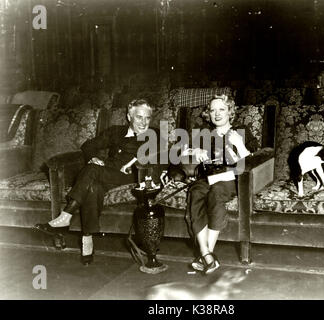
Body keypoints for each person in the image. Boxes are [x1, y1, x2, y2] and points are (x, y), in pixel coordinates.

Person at [35, 99, 165, 265]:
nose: (144, 122)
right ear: (129, 117)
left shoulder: (154, 135)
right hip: (106, 173)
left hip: (131, 175)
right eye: (139, 117)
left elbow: (160, 158)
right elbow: (88, 145)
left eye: (147, 118)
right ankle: (87, 238)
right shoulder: (115, 131)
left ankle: (66, 216)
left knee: (92, 170)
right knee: (93, 186)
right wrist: (93, 157)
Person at [181, 94, 258, 274]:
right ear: (208, 113)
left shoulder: (241, 131)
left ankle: (207, 255)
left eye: (221, 109)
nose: (216, 114)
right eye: (212, 110)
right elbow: (183, 153)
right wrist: (195, 151)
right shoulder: (204, 132)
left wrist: (240, 145)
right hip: (206, 177)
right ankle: (206, 254)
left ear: (230, 112)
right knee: (196, 192)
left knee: (216, 192)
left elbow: (253, 160)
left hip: (231, 177)